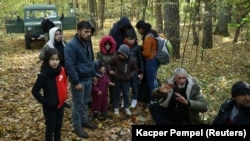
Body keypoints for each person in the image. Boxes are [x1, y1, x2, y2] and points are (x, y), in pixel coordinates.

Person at [64, 20, 97, 138]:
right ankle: (77, 127)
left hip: (88, 77)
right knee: (77, 105)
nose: (88, 34)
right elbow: (69, 65)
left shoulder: (88, 42)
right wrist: (76, 81)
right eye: (86, 31)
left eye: (90, 32)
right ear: (78, 31)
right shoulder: (71, 45)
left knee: (85, 102)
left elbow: (90, 59)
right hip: (79, 80)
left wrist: (93, 75)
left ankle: (84, 121)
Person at [32, 48, 67, 141]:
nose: (55, 62)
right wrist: (46, 102)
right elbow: (35, 91)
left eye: (57, 59)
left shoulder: (61, 70)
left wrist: (64, 96)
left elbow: (64, 82)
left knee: (58, 127)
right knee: (50, 128)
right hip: (50, 107)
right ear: (47, 60)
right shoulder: (43, 75)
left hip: (60, 105)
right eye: (52, 59)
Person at [106, 44, 137, 116]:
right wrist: (110, 70)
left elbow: (134, 69)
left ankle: (126, 107)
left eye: (122, 54)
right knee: (116, 94)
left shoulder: (131, 60)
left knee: (126, 94)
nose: (120, 56)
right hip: (117, 79)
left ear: (126, 55)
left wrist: (130, 76)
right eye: (119, 54)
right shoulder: (115, 58)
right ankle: (116, 107)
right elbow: (108, 63)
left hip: (126, 80)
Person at [135, 20, 160, 106]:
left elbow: (146, 53)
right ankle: (155, 97)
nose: (138, 32)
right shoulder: (153, 34)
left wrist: (139, 51)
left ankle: (153, 100)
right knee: (154, 80)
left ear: (141, 29)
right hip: (156, 59)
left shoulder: (148, 37)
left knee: (151, 81)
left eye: (138, 30)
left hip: (150, 60)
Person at [124, 29, 144, 108]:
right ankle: (125, 100)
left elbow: (140, 60)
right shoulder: (124, 47)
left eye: (132, 39)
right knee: (126, 86)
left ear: (135, 39)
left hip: (135, 71)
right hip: (126, 71)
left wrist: (142, 71)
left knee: (135, 85)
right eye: (129, 39)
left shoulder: (137, 48)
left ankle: (134, 99)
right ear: (126, 39)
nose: (131, 41)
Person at [96, 35, 117, 107]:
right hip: (104, 74)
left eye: (109, 45)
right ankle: (102, 103)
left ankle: (113, 102)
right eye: (106, 45)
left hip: (112, 74)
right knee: (103, 90)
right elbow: (99, 64)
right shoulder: (100, 54)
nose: (107, 46)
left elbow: (116, 63)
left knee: (113, 89)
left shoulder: (114, 53)